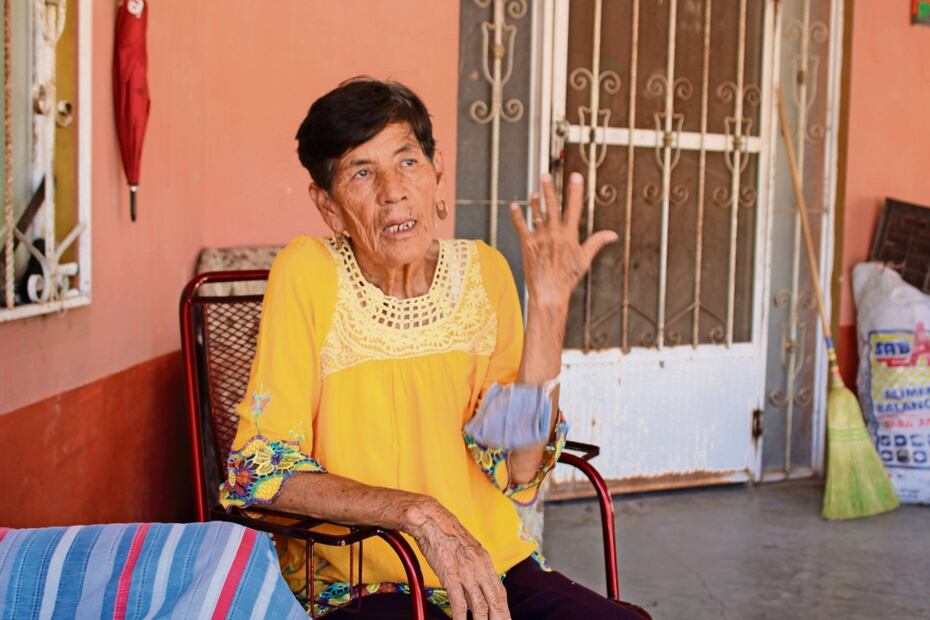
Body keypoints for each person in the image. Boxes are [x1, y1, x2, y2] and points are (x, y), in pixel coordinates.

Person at [220, 78, 642, 620]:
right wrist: (417, 513)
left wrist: (549, 308)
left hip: (490, 568)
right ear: (327, 205)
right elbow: (261, 471)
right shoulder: (308, 273)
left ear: (437, 170)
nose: (393, 191)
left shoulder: (483, 271)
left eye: (408, 161)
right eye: (362, 172)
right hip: (357, 580)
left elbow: (516, 466)